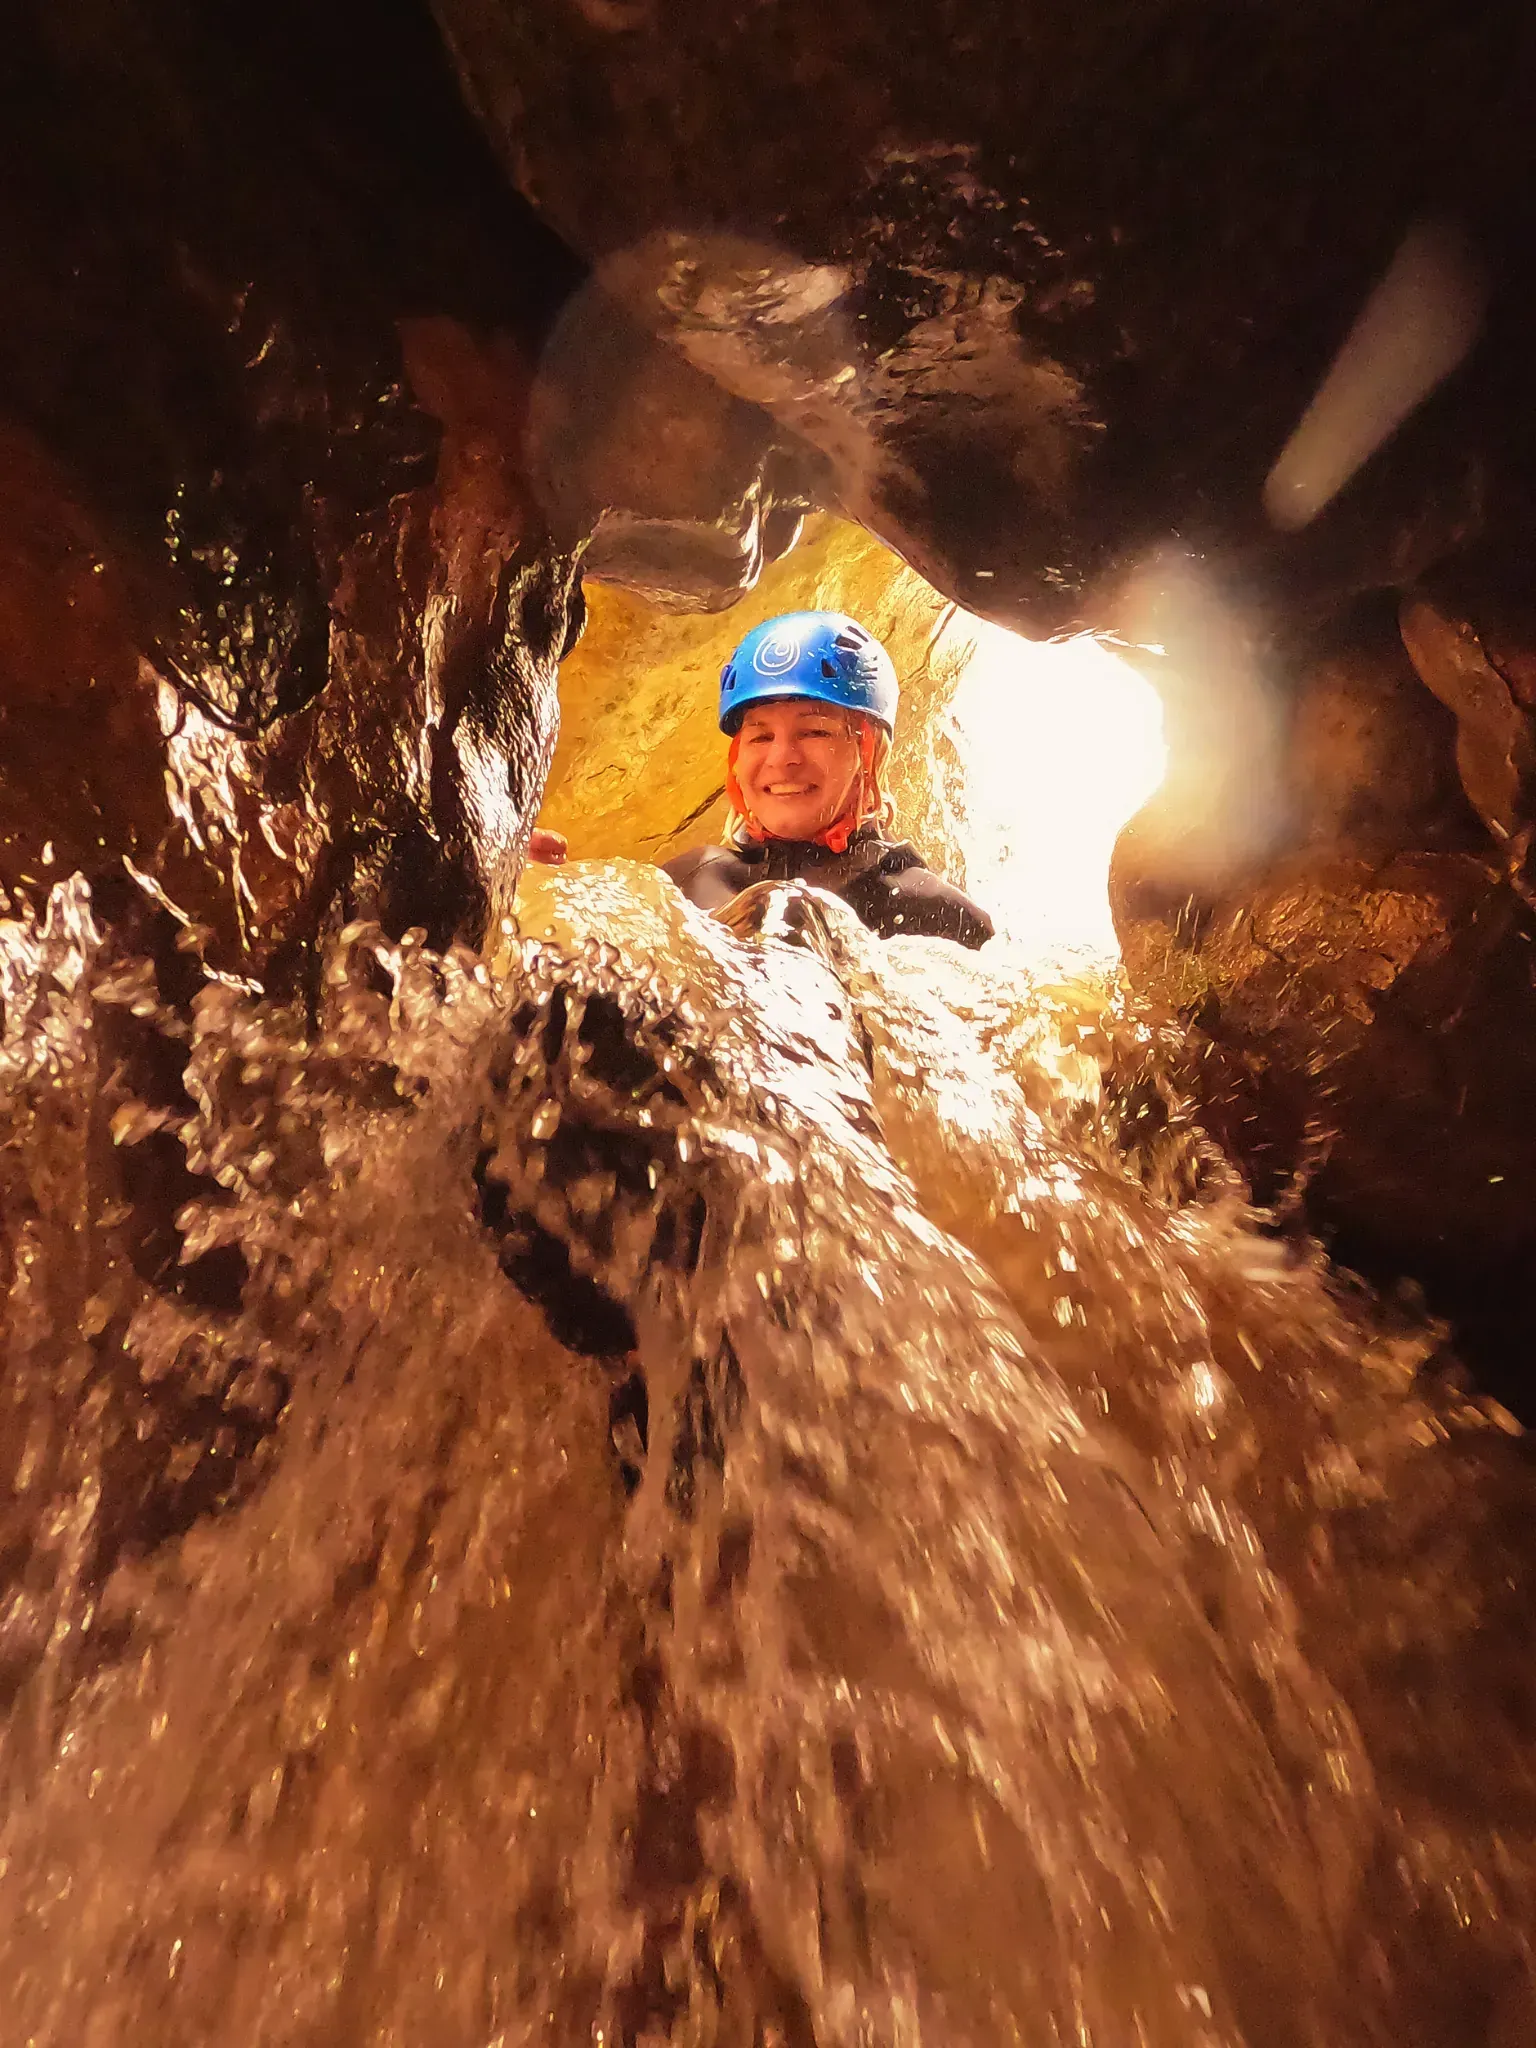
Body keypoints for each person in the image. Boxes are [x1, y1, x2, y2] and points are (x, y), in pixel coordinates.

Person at [663, 611, 994, 949]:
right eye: (760, 738)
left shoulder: (933, 915)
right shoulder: (685, 884)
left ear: (868, 754)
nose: (781, 758)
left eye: (814, 732)